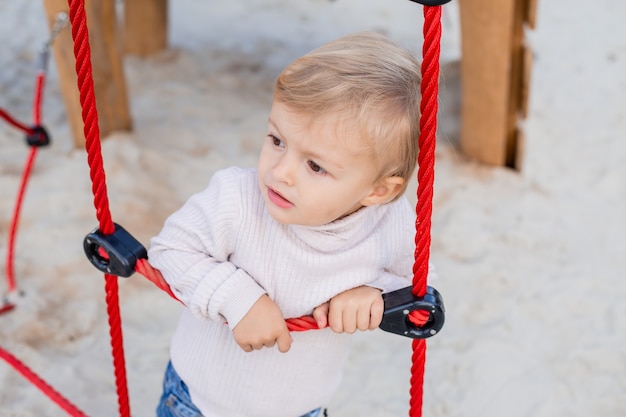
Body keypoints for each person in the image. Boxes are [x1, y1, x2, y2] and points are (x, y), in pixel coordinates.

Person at [149, 31, 432, 417]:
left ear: (378, 191)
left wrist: (374, 293)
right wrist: (238, 298)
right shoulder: (238, 198)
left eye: (315, 166)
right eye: (277, 140)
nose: (280, 172)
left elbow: (419, 288)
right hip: (199, 402)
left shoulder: (392, 226)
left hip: (302, 409)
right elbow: (170, 250)